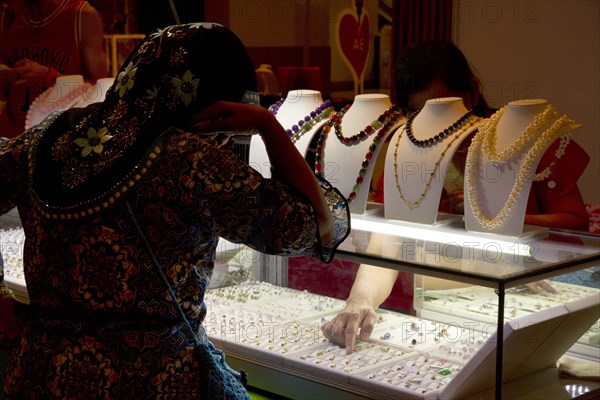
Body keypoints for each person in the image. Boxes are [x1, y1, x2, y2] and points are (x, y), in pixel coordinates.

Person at [0, 22, 349, 398]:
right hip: (152, 380)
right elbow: (315, 226)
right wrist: (266, 123)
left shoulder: (45, 138)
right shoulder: (189, 161)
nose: (223, 139)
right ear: (214, 106)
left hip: (41, 374)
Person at [322, 41, 589, 354]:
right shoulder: (404, 154)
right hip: (441, 314)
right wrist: (360, 300)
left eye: (445, 109)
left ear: (472, 93)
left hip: (526, 313)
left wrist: (500, 233)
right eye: (421, 114)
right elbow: (388, 243)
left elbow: (574, 228)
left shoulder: (522, 144)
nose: (437, 128)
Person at [0, 0, 108, 138]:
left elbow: (101, 88)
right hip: (11, 138)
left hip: (58, 139)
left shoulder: (82, 14)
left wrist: (48, 76)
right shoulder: (7, 14)